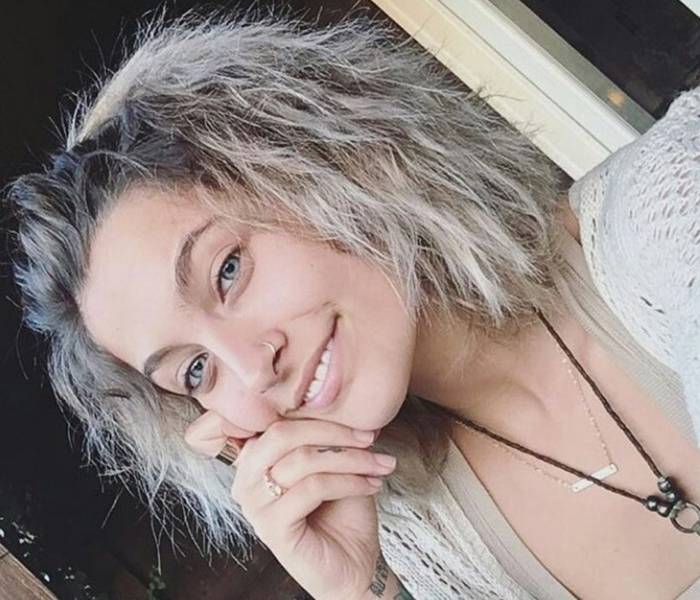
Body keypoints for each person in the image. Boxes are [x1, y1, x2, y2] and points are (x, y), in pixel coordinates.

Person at [8, 12, 700, 600]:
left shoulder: (668, 210)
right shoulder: (430, 546)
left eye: (228, 271)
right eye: (195, 371)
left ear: (330, 165)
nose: (251, 369)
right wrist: (359, 591)